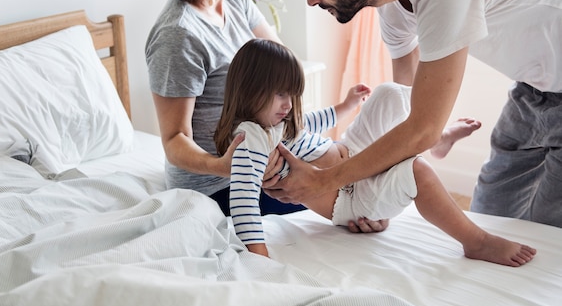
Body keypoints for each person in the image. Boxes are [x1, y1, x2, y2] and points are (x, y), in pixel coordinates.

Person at [267, 0, 562, 228]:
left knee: (549, 232)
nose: (310, 0)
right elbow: (404, 110)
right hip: (533, 88)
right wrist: (378, 200)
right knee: (488, 212)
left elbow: (423, 129)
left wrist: (326, 180)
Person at [146, 0, 374, 224]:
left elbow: (283, 62)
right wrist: (226, 165)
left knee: (355, 164)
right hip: (219, 183)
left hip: (264, 150)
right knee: (356, 196)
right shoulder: (177, 36)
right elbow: (174, 141)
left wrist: (296, 135)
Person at [215, 39, 536, 266]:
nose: (288, 104)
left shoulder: (279, 119)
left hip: (349, 152)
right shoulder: (252, 139)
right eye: (280, 94)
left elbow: (310, 121)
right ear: (251, 91)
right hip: (349, 195)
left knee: (387, 94)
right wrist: (258, 255)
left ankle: (433, 137)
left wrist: (346, 106)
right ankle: (475, 241)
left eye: (292, 94)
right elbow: (242, 199)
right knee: (418, 171)